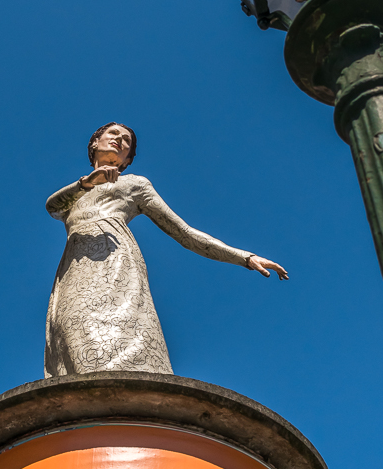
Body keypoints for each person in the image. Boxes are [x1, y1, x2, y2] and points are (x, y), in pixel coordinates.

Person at [44, 122, 288, 377]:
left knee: (116, 329)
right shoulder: (77, 192)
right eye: (113, 134)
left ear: (127, 160)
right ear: (94, 143)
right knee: (72, 329)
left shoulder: (135, 184)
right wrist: (87, 183)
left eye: (127, 140)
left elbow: (183, 232)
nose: (120, 139)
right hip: (74, 267)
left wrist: (245, 257)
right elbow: (53, 207)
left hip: (113, 260)